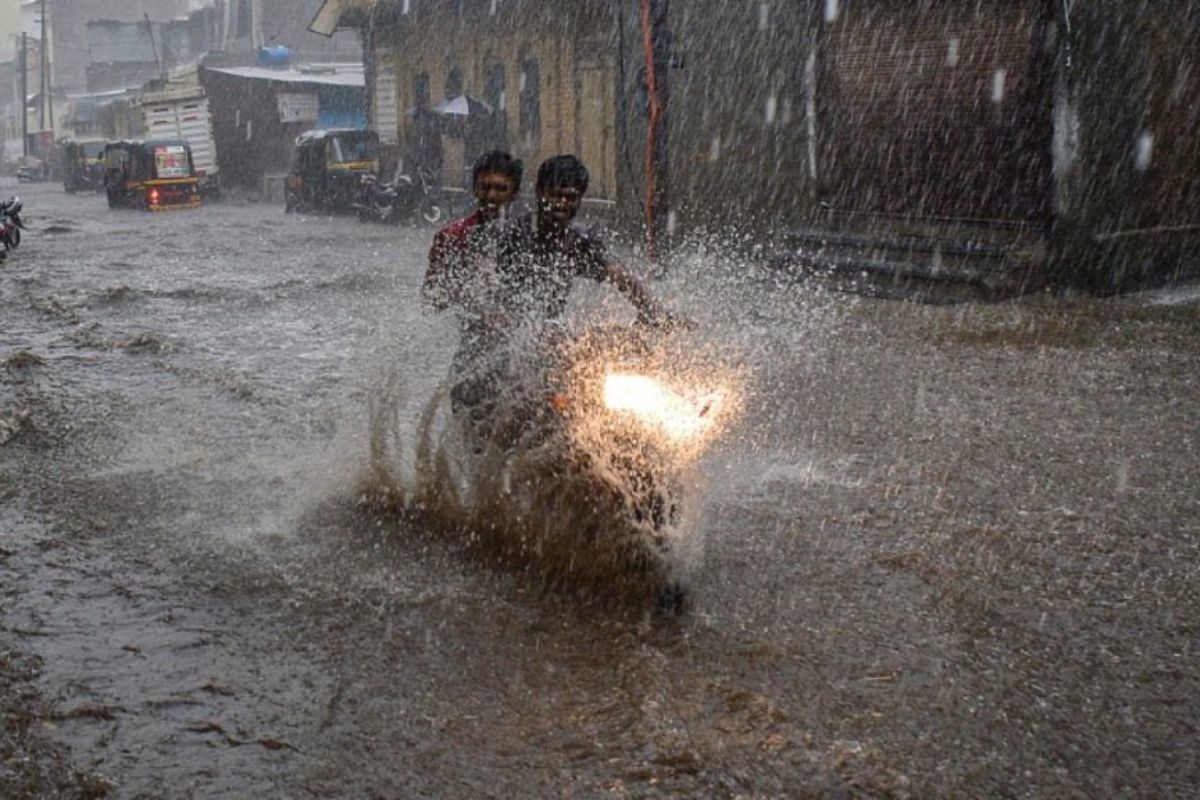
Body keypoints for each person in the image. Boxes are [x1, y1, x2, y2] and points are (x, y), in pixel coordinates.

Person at [488, 153, 682, 331]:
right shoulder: (511, 234)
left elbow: (619, 274)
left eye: (570, 197)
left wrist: (654, 312)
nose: (561, 204)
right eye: (555, 195)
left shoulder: (579, 241)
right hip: (502, 332)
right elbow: (483, 278)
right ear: (539, 192)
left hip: (547, 333)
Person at [422, 149, 523, 313]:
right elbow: (430, 298)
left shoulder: (525, 237)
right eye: (484, 187)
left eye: (501, 188)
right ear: (474, 190)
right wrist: (467, 293)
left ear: (515, 193)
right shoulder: (451, 236)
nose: (491, 195)